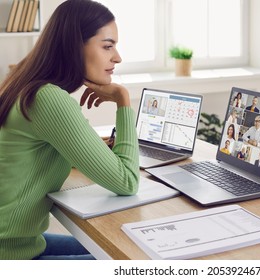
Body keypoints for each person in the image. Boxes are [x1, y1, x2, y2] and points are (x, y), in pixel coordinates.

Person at [0, 0, 139, 260]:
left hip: (20, 243)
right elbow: (127, 181)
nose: (117, 57)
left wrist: (95, 150)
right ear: (75, 47)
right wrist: (123, 99)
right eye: (108, 46)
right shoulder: (48, 98)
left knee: (125, 252)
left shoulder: (25, 83)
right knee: (138, 264)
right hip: (11, 255)